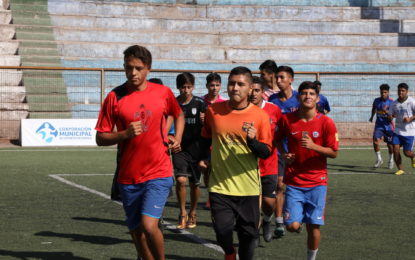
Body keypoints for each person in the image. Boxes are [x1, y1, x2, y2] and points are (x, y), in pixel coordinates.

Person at [95, 45, 185, 260]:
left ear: (148, 69)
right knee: (136, 232)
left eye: (138, 68)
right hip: (128, 176)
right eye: (128, 68)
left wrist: (177, 138)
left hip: (159, 172)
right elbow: (100, 138)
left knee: (148, 224)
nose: (132, 73)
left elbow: (177, 114)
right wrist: (124, 134)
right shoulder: (114, 97)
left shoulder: (163, 93)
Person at [200, 66, 272, 260]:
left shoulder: (260, 116)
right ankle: (230, 253)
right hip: (220, 186)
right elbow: (205, 139)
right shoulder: (213, 111)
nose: (235, 88)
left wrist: (253, 142)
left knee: (248, 235)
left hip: (248, 188)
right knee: (222, 230)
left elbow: (266, 152)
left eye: (241, 84)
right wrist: (203, 159)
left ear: (250, 88)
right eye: (232, 83)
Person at [275, 81, 338, 260]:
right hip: (294, 182)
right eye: (304, 93)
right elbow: (277, 139)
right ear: (298, 96)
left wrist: (313, 146)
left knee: (314, 226)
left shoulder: (326, 122)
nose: (308, 96)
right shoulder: (287, 119)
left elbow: (333, 153)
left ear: (317, 99)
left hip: (317, 182)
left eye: (311, 93)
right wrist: (285, 153)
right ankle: (297, 221)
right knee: (292, 226)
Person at [249, 76, 282, 242]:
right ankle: (253, 234)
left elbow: (282, 131)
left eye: (257, 90)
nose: (253, 94)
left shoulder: (273, 110)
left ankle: (267, 221)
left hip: (269, 164)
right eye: (251, 90)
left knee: (269, 203)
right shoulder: (242, 109)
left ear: (263, 92)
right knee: (253, 205)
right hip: (248, 166)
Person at [268, 65, 300, 238]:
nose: (278, 81)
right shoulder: (272, 100)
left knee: (296, 185)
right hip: (279, 149)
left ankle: (296, 217)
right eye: (277, 78)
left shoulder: (300, 99)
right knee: (279, 185)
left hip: (298, 150)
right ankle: (279, 222)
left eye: (282, 77)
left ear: (291, 80)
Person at [173, 72, 207, 229]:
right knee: (180, 180)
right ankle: (182, 213)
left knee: (194, 184)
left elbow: (210, 125)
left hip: (197, 149)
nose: (186, 90)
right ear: (178, 87)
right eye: (183, 87)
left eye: (189, 87)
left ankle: (193, 212)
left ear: (193, 87)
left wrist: (206, 120)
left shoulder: (200, 103)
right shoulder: (173, 103)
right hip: (180, 148)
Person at [201, 72, 227, 209]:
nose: (214, 88)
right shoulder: (200, 101)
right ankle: (210, 193)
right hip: (203, 141)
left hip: (217, 142)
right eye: (212, 85)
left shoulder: (223, 103)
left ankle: (214, 196)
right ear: (207, 86)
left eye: (217, 85)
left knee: (216, 170)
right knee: (206, 170)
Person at [388, 83, 415, 175]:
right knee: (395, 149)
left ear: (407, 92)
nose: (400, 92)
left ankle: (413, 156)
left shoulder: (412, 102)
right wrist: (390, 117)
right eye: (399, 90)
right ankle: (400, 169)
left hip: (409, 131)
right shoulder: (394, 103)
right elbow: (390, 115)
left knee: (407, 153)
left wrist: (410, 118)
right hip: (397, 130)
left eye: (403, 91)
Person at [369, 84, 394, 169]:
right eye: (382, 92)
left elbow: (392, 118)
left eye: (385, 92)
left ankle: (391, 160)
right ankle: (379, 159)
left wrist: (386, 111)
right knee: (375, 141)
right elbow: (374, 109)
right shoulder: (376, 100)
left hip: (388, 127)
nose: (383, 94)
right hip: (379, 126)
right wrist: (372, 117)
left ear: (388, 92)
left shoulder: (391, 102)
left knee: (390, 145)